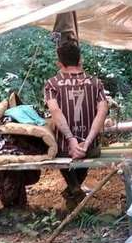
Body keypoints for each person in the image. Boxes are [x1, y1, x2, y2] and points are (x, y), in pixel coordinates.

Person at [44, 42, 109, 210]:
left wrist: (71, 139)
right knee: (86, 152)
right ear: (80, 60)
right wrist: (86, 142)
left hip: (64, 148)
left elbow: (55, 111)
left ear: (59, 63)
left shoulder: (52, 84)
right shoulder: (96, 83)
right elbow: (102, 112)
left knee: (62, 150)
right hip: (91, 147)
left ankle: (73, 188)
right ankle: (74, 190)